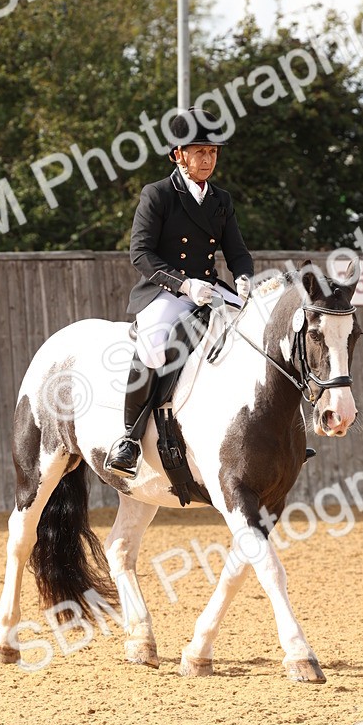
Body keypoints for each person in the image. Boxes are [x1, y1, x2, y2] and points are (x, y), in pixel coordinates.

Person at [105, 108, 254, 477]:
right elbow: (140, 253)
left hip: (209, 289)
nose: (207, 159)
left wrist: (245, 278)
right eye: (199, 151)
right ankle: (129, 439)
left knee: (257, 332)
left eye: (213, 152)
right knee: (154, 345)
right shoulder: (157, 195)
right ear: (178, 154)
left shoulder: (221, 200)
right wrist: (183, 284)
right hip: (166, 291)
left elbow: (236, 251)